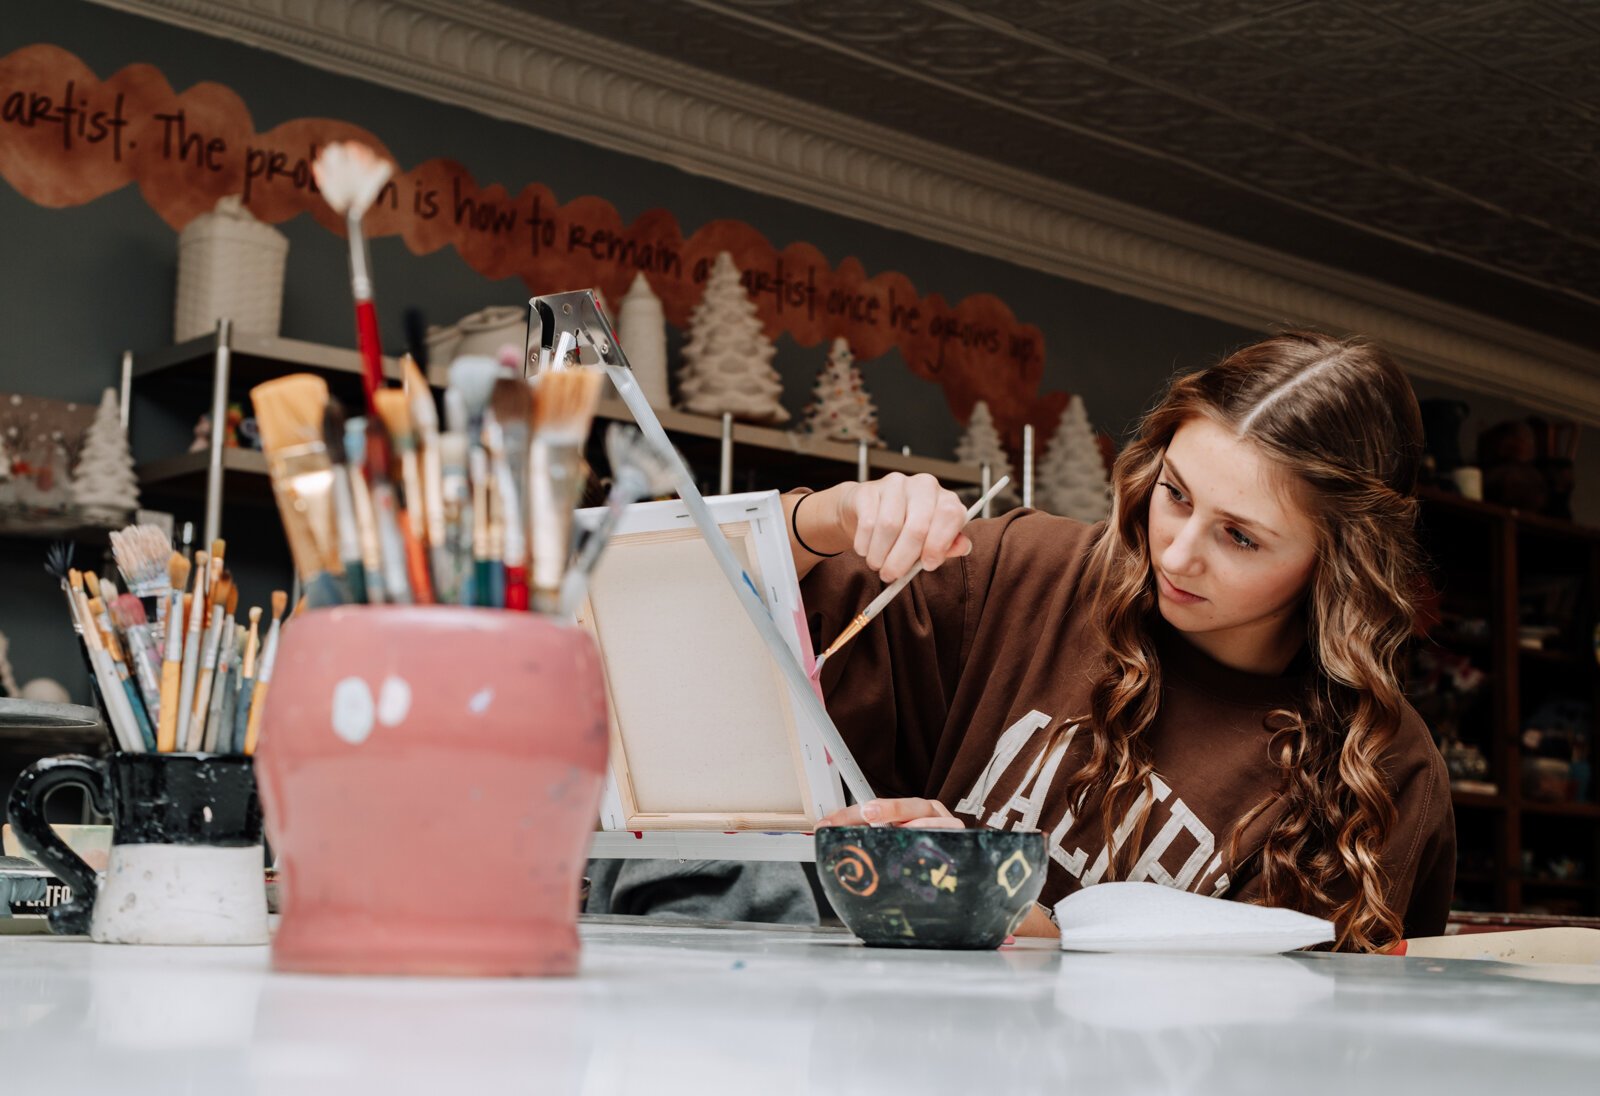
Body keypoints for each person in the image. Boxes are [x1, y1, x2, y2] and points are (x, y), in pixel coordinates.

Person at [789, 331, 1454, 951]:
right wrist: (825, 517)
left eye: (1241, 537)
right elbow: (735, 615)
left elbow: (1283, 1043)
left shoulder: (1380, 766)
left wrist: (1018, 918)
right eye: (1175, 494)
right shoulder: (1030, 572)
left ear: (1339, 562)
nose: (1179, 553)